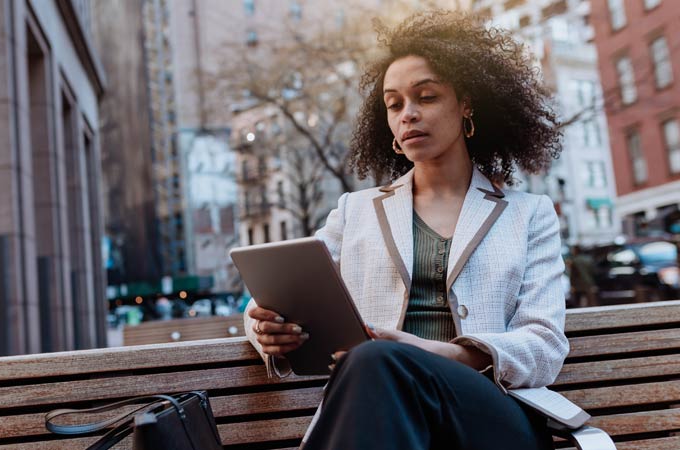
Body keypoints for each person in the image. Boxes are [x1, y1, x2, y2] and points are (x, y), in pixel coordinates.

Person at [243, 10, 568, 450]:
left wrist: (439, 353)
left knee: (376, 358)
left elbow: (544, 345)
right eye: (394, 104)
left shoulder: (529, 214)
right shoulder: (353, 211)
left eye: (426, 96)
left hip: (489, 414)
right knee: (375, 364)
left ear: (466, 103)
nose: (407, 114)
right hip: (379, 409)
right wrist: (264, 326)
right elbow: (279, 293)